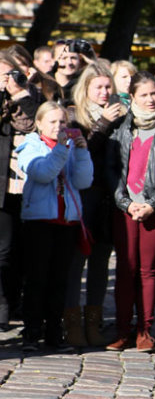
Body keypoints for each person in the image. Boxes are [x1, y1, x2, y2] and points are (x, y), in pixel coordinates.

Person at [105, 72, 155, 353]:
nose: (152, 99)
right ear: (133, 96)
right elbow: (112, 170)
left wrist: (152, 203)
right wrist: (126, 203)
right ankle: (122, 331)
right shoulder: (121, 126)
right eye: (145, 95)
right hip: (124, 208)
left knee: (148, 270)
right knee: (125, 270)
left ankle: (145, 331)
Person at [17, 102, 93, 351]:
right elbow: (43, 173)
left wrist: (81, 153)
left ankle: (54, 334)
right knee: (37, 279)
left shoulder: (70, 148)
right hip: (39, 222)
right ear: (39, 124)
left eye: (62, 122)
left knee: (59, 280)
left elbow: (83, 181)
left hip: (66, 221)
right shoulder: (31, 146)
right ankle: (31, 333)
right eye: (52, 122)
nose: (58, 127)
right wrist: (61, 149)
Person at [65, 61, 126, 347]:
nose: (104, 92)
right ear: (85, 88)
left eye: (107, 86)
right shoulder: (73, 115)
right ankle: (72, 323)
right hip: (81, 197)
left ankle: (94, 321)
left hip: (107, 198)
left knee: (101, 261)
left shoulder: (119, 114)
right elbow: (81, 153)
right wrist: (103, 123)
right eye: (98, 87)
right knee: (76, 261)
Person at [0, 54, 42, 330]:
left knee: (20, 252)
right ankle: (3, 310)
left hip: (26, 186)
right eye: (3, 75)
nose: (7, 80)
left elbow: (38, 120)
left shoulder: (31, 95)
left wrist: (21, 93)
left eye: (10, 74)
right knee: (2, 251)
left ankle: (15, 305)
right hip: (2, 187)